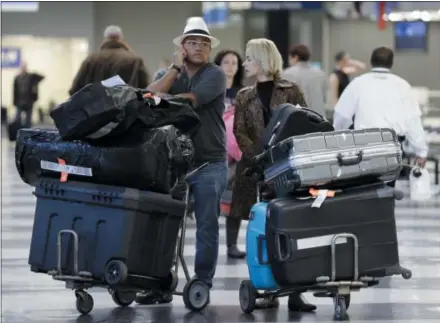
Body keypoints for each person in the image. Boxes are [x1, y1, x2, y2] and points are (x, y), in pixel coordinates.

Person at [135, 16, 228, 306]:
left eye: (204, 43)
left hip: (209, 162)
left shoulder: (215, 75)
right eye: (193, 42)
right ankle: (159, 282)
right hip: (174, 164)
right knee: (164, 224)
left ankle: (202, 282)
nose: (199, 47)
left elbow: (189, 100)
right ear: (183, 47)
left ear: (210, 48)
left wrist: (162, 99)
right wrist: (174, 68)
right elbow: (148, 95)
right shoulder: (171, 72)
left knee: (206, 226)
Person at [230, 38, 317, 312]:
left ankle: (295, 292)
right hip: (255, 170)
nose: (245, 64)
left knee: (290, 227)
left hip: (287, 169)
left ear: (263, 60)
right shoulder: (244, 95)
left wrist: (280, 156)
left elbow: (305, 122)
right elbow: (239, 131)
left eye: (249, 58)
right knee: (261, 229)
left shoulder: (291, 91)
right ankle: (267, 288)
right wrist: (258, 157)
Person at [333, 46, 428, 173]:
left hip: (363, 147)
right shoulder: (403, 86)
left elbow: (342, 115)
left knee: (365, 185)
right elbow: (413, 121)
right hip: (392, 148)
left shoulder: (358, 83)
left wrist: (339, 141)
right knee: (388, 185)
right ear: (391, 63)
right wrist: (421, 151)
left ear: (371, 61)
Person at [214, 49, 246, 259]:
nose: (230, 66)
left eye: (234, 62)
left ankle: (231, 245)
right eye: (226, 62)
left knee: (233, 200)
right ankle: (210, 245)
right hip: (214, 152)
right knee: (211, 201)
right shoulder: (212, 90)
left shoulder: (243, 93)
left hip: (237, 155)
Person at [69, 28, 149, 96]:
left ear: (105, 39)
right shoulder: (134, 60)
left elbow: (74, 90)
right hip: (125, 112)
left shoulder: (90, 60)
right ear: (121, 39)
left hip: (93, 112)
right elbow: (146, 90)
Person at [282, 44, 327, 116]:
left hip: (299, 118)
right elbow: (324, 97)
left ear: (295, 57)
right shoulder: (321, 73)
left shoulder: (287, 74)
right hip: (319, 117)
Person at [12, 62, 44, 128]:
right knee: (17, 119)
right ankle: (17, 133)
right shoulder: (17, 78)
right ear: (20, 68)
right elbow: (14, 91)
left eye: (25, 67)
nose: (24, 68)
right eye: (22, 67)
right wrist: (14, 102)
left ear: (26, 68)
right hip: (19, 101)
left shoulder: (31, 76)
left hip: (29, 101)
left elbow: (42, 77)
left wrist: (35, 74)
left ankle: (27, 133)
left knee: (28, 120)